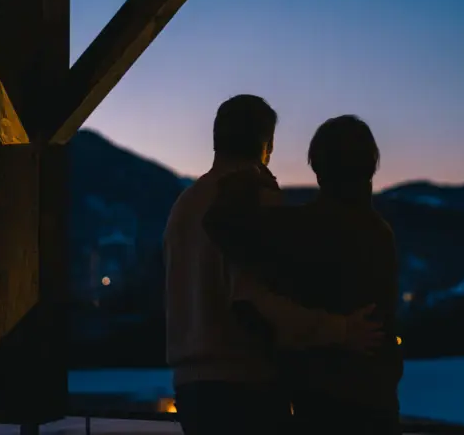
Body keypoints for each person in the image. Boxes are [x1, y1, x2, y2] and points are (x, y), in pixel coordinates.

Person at [164, 96, 383, 435]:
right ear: (267, 144)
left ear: (216, 138)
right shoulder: (252, 198)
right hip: (245, 387)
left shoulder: (184, 204)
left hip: (190, 390)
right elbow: (256, 299)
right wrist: (341, 330)